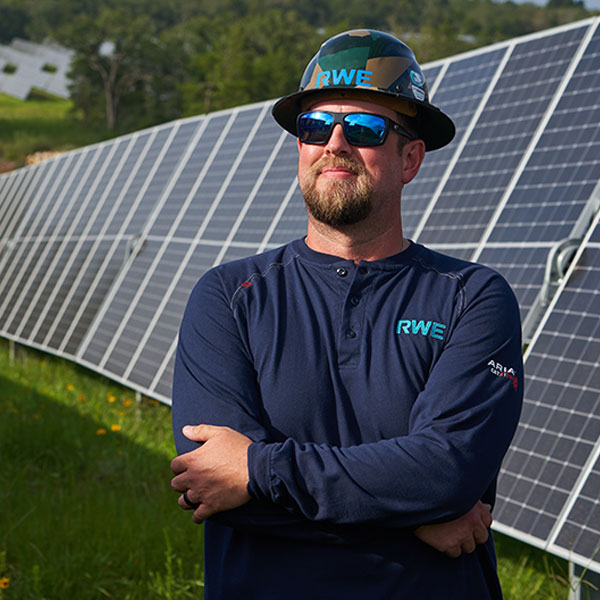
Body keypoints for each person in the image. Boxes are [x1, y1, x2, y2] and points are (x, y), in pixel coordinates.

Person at [170, 29, 523, 599]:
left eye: (363, 128)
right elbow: (210, 481)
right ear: (301, 149)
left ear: (410, 157)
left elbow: (447, 473)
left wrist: (257, 472)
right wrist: (415, 514)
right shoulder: (229, 296)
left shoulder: (472, 297)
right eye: (315, 126)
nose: (334, 143)